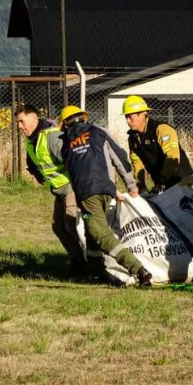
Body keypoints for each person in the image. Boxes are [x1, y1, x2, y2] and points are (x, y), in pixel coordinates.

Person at [59, 105, 151, 286]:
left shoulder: (65, 144)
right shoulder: (99, 132)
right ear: (83, 118)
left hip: (86, 196)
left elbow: (73, 173)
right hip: (106, 192)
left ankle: (139, 270)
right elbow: (120, 157)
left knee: (100, 234)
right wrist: (130, 184)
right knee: (89, 228)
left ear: (65, 125)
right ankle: (96, 272)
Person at [14, 104, 86, 277]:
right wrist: (36, 173)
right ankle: (79, 262)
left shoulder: (52, 136)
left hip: (71, 187)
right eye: (17, 123)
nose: (19, 126)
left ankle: (90, 263)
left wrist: (81, 187)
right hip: (58, 190)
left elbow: (74, 161)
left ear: (33, 119)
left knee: (71, 225)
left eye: (21, 121)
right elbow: (34, 161)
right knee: (58, 228)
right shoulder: (31, 140)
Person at [123, 95, 193, 194]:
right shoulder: (132, 139)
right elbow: (137, 164)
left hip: (180, 180)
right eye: (126, 117)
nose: (128, 121)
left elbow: (172, 157)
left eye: (130, 117)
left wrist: (162, 181)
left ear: (143, 114)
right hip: (160, 183)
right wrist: (141, 186)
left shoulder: (162, 129)